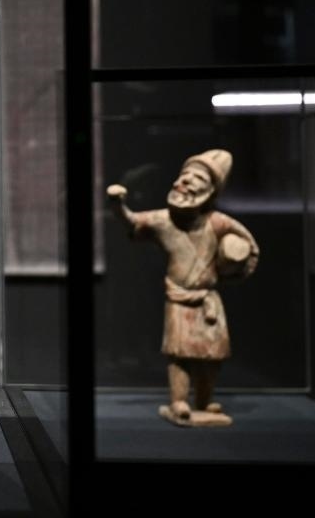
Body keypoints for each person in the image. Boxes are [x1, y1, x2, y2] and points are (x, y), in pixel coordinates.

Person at [107, 149, 259, 426]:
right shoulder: (165, 220)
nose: (185, 181)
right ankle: (178, 401)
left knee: (211, 355)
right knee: (179, 355)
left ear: (210, 191)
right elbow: (133, 220)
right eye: (184, 175)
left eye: (196, 178)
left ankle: (204, 400)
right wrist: (118, 205)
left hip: (207, 300)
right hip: (179, 298)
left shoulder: (218, 223)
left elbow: (249, 248)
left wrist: (235, 260)